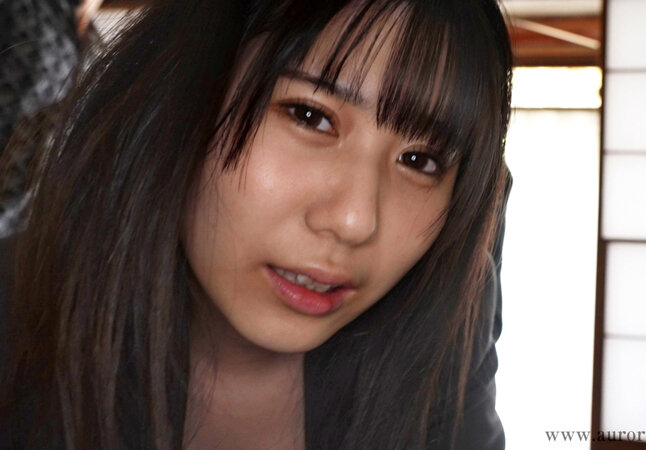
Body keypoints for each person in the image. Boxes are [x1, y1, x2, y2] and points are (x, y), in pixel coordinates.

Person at [0, 0, 512, 448]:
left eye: (420, 161)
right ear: (184, 94)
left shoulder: (448, 319)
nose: (355, 221)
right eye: (310, 116)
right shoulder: (17, 314)